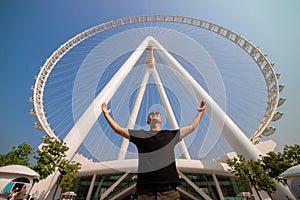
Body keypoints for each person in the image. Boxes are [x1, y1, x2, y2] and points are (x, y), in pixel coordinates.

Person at [101, 101, 206, 200]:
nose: (154, 113)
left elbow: (192, 127)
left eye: (157, 113)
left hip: (169, 193)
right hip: (145, 193)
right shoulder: (140, 135)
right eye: (152, 113)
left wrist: (201, 112)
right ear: (148, 121)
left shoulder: (170, 135)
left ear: (161, 121)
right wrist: (106, 115)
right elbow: (118, 129)